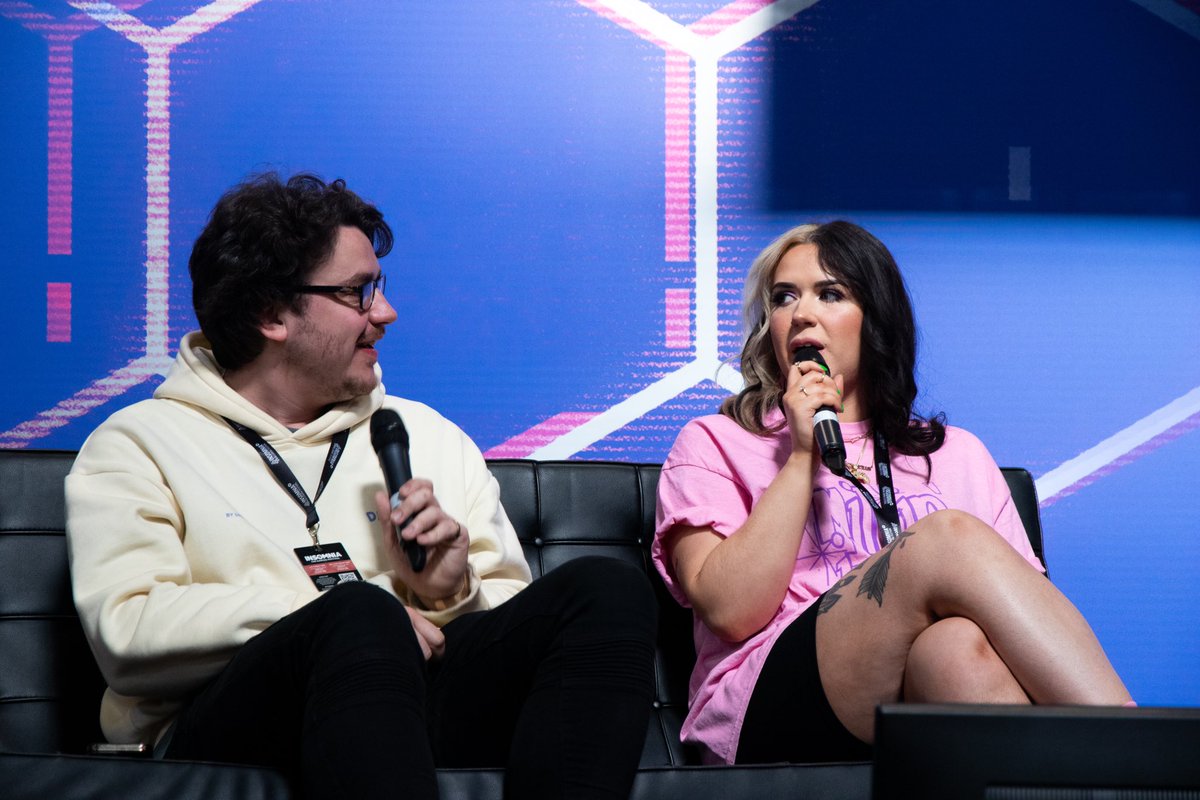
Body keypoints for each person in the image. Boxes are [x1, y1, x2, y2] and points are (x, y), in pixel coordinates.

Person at [65, 172, 657, 799]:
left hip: (417, 705)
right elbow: (128, 631)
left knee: (606, 588)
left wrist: (448, 590)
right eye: (358, 292)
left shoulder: (427, 435)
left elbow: (511, 631)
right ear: (271, 313)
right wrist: (333, 609)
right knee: (358, 611)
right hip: (232, 724)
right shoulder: (139, 443)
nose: (386, 312)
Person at [652, 220, 1131, 766]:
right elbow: (729, 611)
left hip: (910, 689)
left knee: (956, 651)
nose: (801, 313)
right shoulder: (715, 442)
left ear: (875, 321)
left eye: (830, 293)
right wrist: (803, 455)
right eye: (784, 298)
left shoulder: (957, 454)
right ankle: (1138, 757)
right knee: (945, 535)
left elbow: (1019, 627)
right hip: (764, 703)